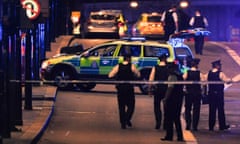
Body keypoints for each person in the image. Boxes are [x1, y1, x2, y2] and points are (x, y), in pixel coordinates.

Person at [108, 54, 140, 129]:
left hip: (120, 89)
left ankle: (123, 123)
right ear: (128, 59)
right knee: (131, 106)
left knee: (121, 106)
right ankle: (127, 118)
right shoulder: (132, 66)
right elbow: (138, 75)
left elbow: (110, 75)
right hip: (129, 89)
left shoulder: (118, 66)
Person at [161, 63, 184, 141]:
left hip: (171, 100)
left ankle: (169, 136)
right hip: (179, 99)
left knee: (168, 118)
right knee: (177, 119)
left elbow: (170, 88)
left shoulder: (172, 76)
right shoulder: (180, 76)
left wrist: (165, 98)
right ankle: (180, 137)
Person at [206, 60, 231, 131]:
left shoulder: (209, 73)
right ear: (217, 66)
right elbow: (227, 80)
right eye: (219, 65)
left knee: (212, 110)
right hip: (219, 95)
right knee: (220, 110)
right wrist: (231, 80)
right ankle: (222, 126)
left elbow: (204, 79)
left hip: (211, 94)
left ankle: (211, 126)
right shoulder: (221, 74)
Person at [183, 58, 205, 131]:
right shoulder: (200, 73)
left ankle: (188, 125)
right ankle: (195, 126)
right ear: (196, 65)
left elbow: (183, 80)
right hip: (197, 94)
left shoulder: (187, 72)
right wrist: (203, 92)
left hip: (188, 93)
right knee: (196, 110)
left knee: (187, 109)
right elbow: (204, 83)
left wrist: (184, 89)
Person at [148, 54, 169, 130]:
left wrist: (150, 89)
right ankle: (166, 124)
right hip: (166, 90)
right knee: (166, 107)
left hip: (157, 89)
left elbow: (151, 79)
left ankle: (158, 123)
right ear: (164, 59)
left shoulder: (155, 68)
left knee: (157, 107)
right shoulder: (168, 68)